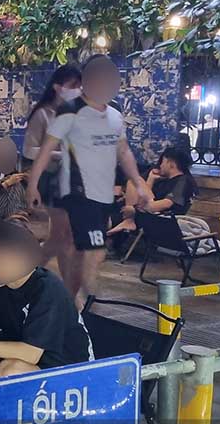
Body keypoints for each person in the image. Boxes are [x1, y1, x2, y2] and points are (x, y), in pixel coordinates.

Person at [27, 55, 153, 304]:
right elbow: (43, 150)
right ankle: (85, 303)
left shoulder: (114, 116)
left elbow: (123, 151)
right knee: (89, 251)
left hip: (101, 193)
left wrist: (139, 183)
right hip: (75, 191)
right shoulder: (68, 112)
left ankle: (66, 298)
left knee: (74, 247)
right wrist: (32, 185)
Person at [22, 64, 83, 290]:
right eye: (73, 85)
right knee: (62, 237)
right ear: (57, 87)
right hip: (50, 179)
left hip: (71, 180)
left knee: (62, 237)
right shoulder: (43, 114)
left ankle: (26, 274)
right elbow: (30, 150)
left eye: (80, 85)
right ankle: (25, 274)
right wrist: (60, 153)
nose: (78, 89)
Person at [108, 147, 197, 234]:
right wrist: (151, 179)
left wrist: (135, 209)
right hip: (141, 214)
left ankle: (128, 221)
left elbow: (164, 204)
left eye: (162, 162)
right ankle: (127, 221)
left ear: (171, 163)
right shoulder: (163, 180)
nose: (160, 165)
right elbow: (142, 200)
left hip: (159, 220)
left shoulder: (184, 181)